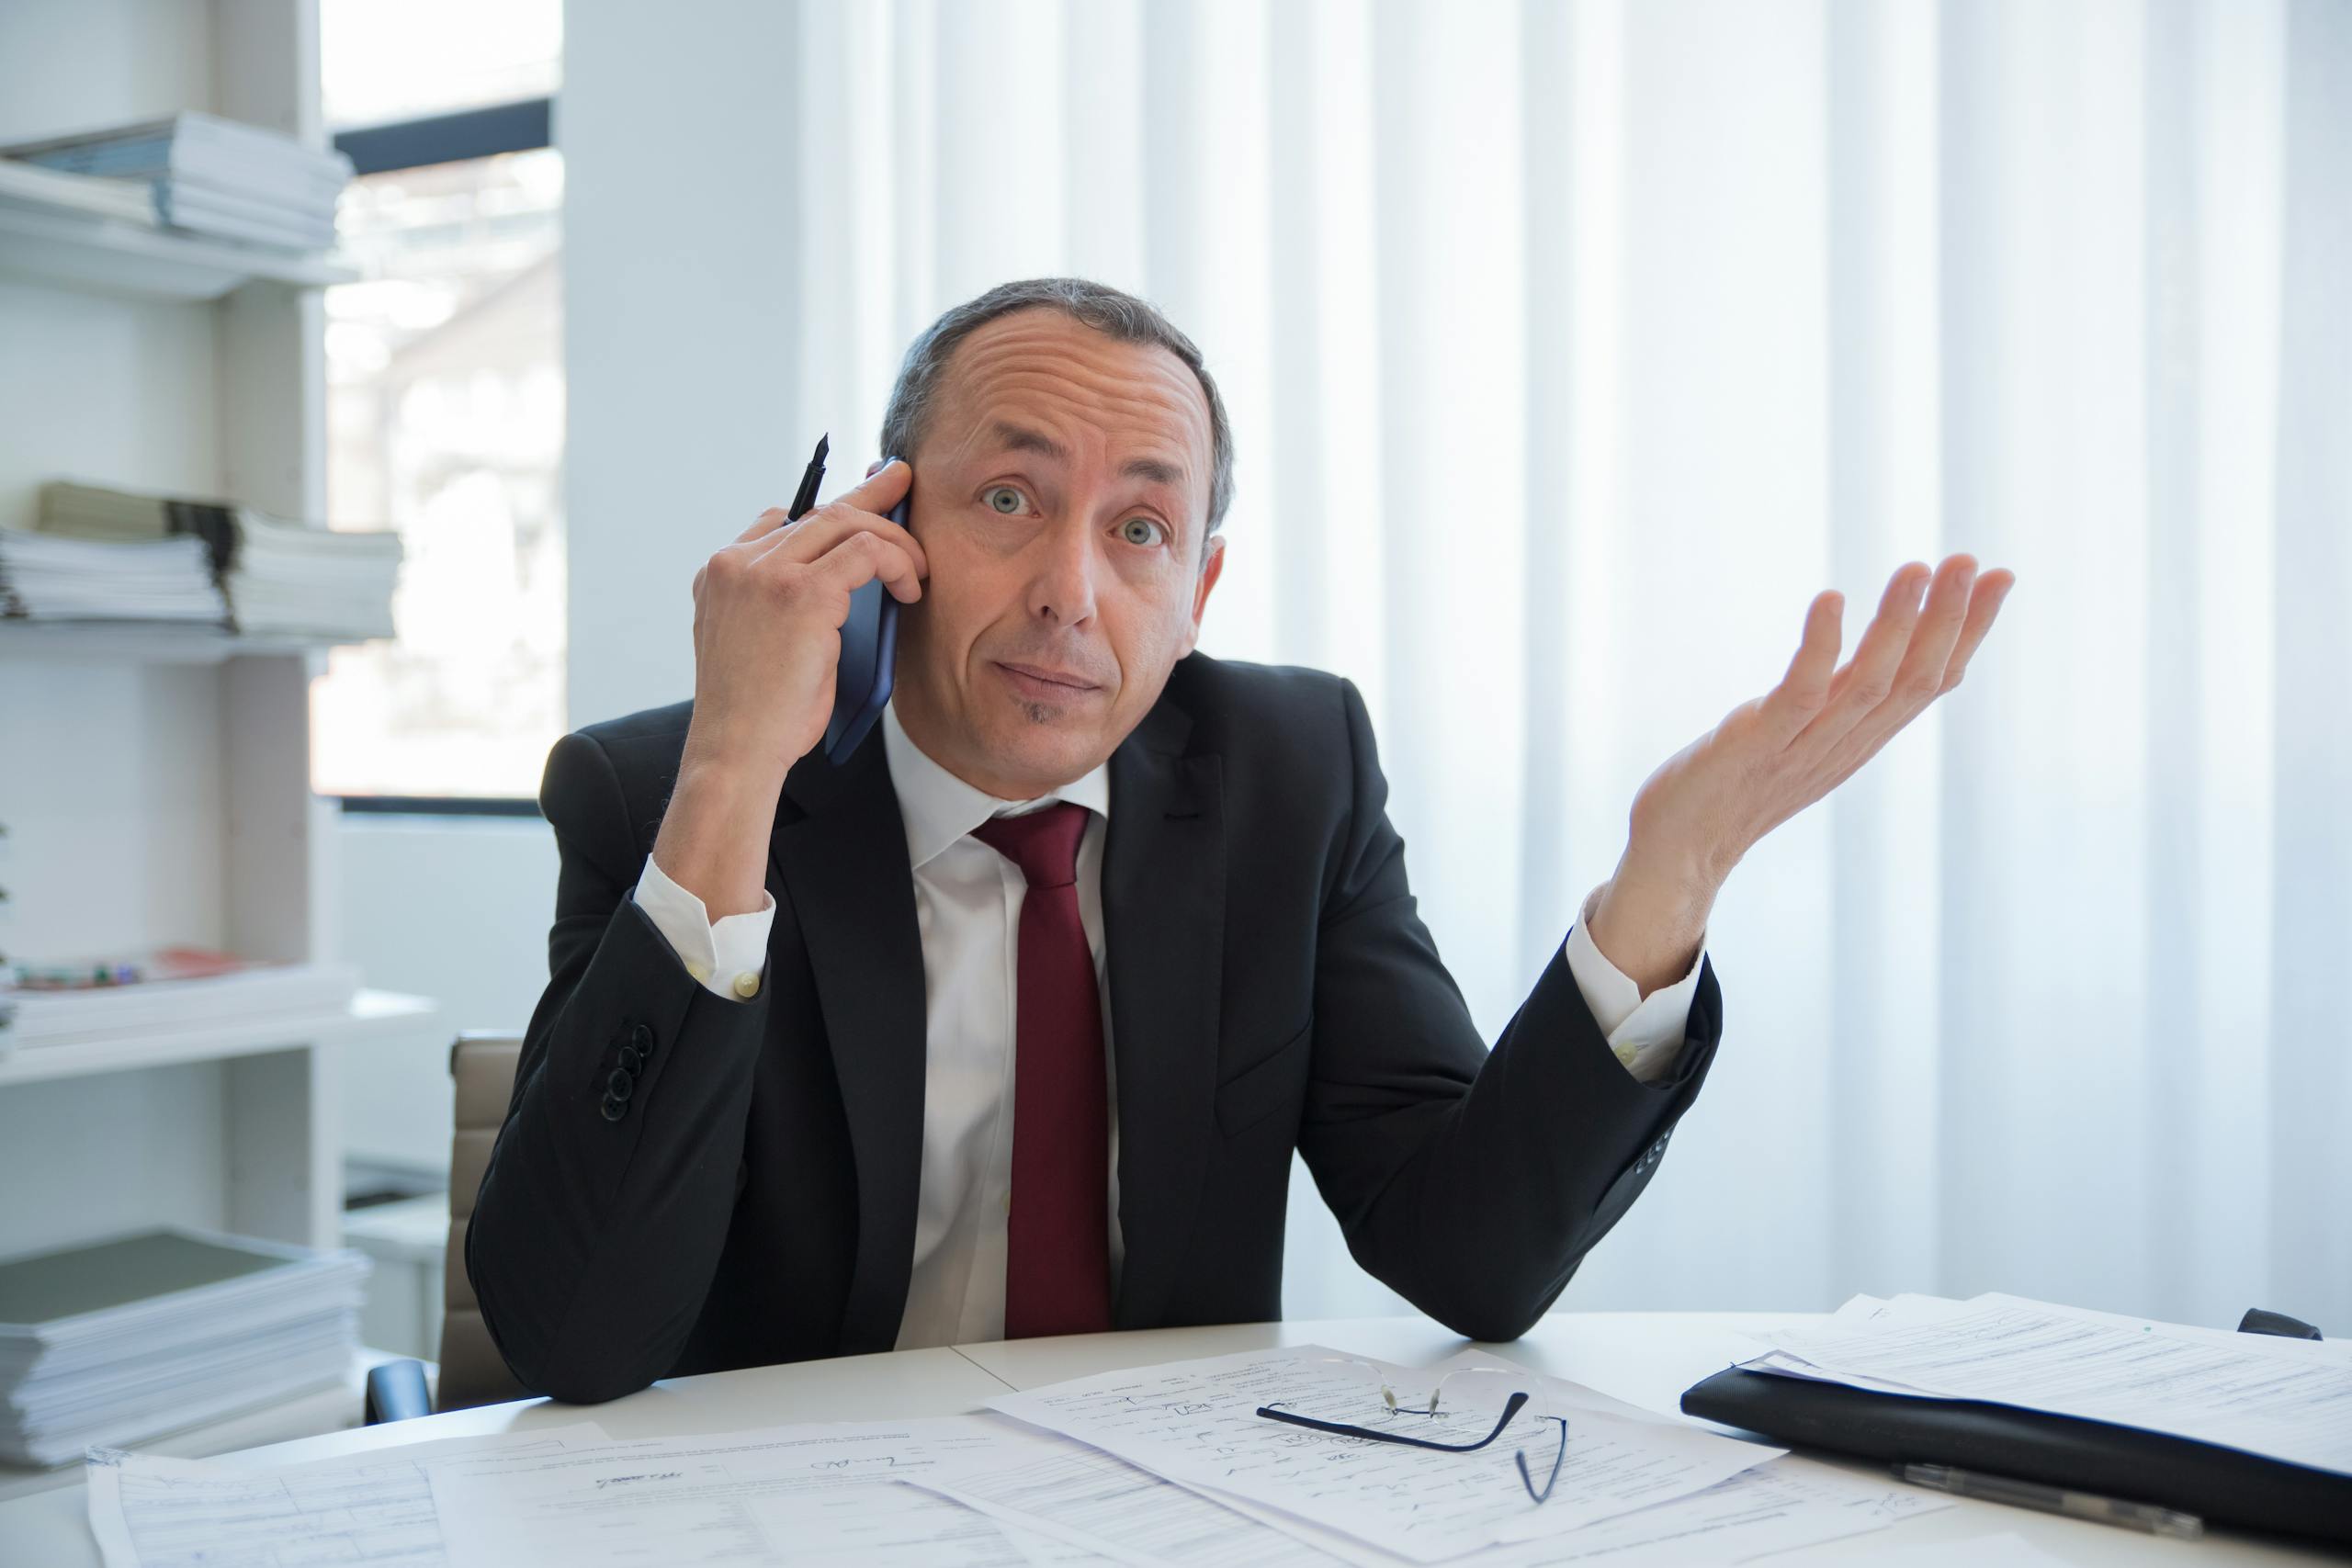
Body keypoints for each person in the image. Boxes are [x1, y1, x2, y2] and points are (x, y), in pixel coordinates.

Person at [469, 277, 2011, 1404]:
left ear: (1199, 592)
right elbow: (578, 1340)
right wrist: (736, 763)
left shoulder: (1291, 772)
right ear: (884, 538)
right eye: (1008, 497)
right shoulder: (665, 794)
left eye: (1140, 529)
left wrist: (1670, 876)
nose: (1074, 590)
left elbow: (1470, 1258)